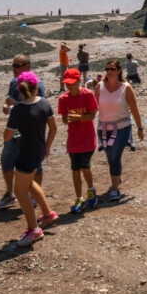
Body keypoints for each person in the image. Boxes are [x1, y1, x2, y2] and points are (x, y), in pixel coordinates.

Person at [4, 71, 59, 246]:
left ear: (20, 89)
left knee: (20, 191)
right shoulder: (44, 103)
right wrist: (48, 146)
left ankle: (34, 229)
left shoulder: (18, 110)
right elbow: (53, 127)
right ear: (36, 87)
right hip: (39, 151)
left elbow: (7, 137)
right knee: (28, 183)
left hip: (25, 154)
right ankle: (48, 214)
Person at [0, 54, 46, 208]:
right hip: (15, 131)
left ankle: (34, 196)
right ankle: (9, 193)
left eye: (16, 66)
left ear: (26, 67)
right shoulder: (14, 83)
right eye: (12, 65)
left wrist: (16, 103)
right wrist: (7, 107)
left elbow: (38, 108)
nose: (13, 68)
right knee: (6, 160)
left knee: (35, 165)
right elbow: (11, 104)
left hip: (30, 134)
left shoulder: (37, 85)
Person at [95, 60, 145, 200]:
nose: (109, 71)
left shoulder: (126, 88)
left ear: (119, 70)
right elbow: (93, 107)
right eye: (107, 69)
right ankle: (116, 178)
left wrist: (140, 128)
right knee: (110, 157)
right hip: (103, 128)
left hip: (122, 128)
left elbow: (134, 109)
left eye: (112, 69)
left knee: (114, 156)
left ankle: (115, 189)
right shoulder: (100, 86)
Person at [57, 67, 99, 212]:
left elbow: (92, 116)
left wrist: (78, 117)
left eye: (72, 82)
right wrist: (68, 119)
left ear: (79, 81)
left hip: (87, 139)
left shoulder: (87, 95)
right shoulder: (63, 99)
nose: (69, 86)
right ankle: (79, 197)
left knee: (84, 166)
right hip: (73, 141)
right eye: (67, 83)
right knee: (75, 169)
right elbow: (63, 119)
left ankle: (91, 189)